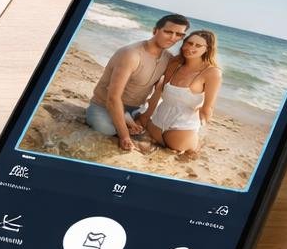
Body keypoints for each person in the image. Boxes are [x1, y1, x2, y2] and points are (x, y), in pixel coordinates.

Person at [85, 14, 190, 150]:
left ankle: (129, 119)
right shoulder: (131, 54)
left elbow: (160, 88)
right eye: (168, 32)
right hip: (104, 105)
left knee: (160, 133)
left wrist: (146, 116)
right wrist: (124, 136)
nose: (172, 38)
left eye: (179, 35)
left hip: (136, 109)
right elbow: (113, 98)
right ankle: (124, 120)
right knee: (107, 130)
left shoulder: (168, 58)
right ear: (155, 30)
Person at [142, 29, 223, 158]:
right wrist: (146, 115)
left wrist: (201, 127)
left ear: (207, 49)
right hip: (156, 125)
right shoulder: (174, 64)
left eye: (198, 45)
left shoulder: (212, 73)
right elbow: (158, 91)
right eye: (189, 43)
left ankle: (197, 142)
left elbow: (208, 108)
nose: (191, 47)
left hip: (182, 130)